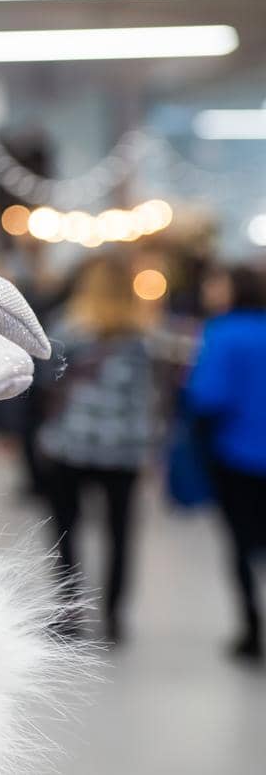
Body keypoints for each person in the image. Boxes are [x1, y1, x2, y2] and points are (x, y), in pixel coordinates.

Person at [38, 254, 160, 644]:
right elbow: (149, 399)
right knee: (120, 533)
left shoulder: (68, 328)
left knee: (67, 530)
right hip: (122, 450)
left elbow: (43, 379)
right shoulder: (144, 339)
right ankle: (115, 617)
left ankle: (70, 611)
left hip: (70, 443)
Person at [186, 264, 266, 662]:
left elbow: (207, 397)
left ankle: (251, 628)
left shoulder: (223, 333)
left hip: (238, 455)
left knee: (240, 544)